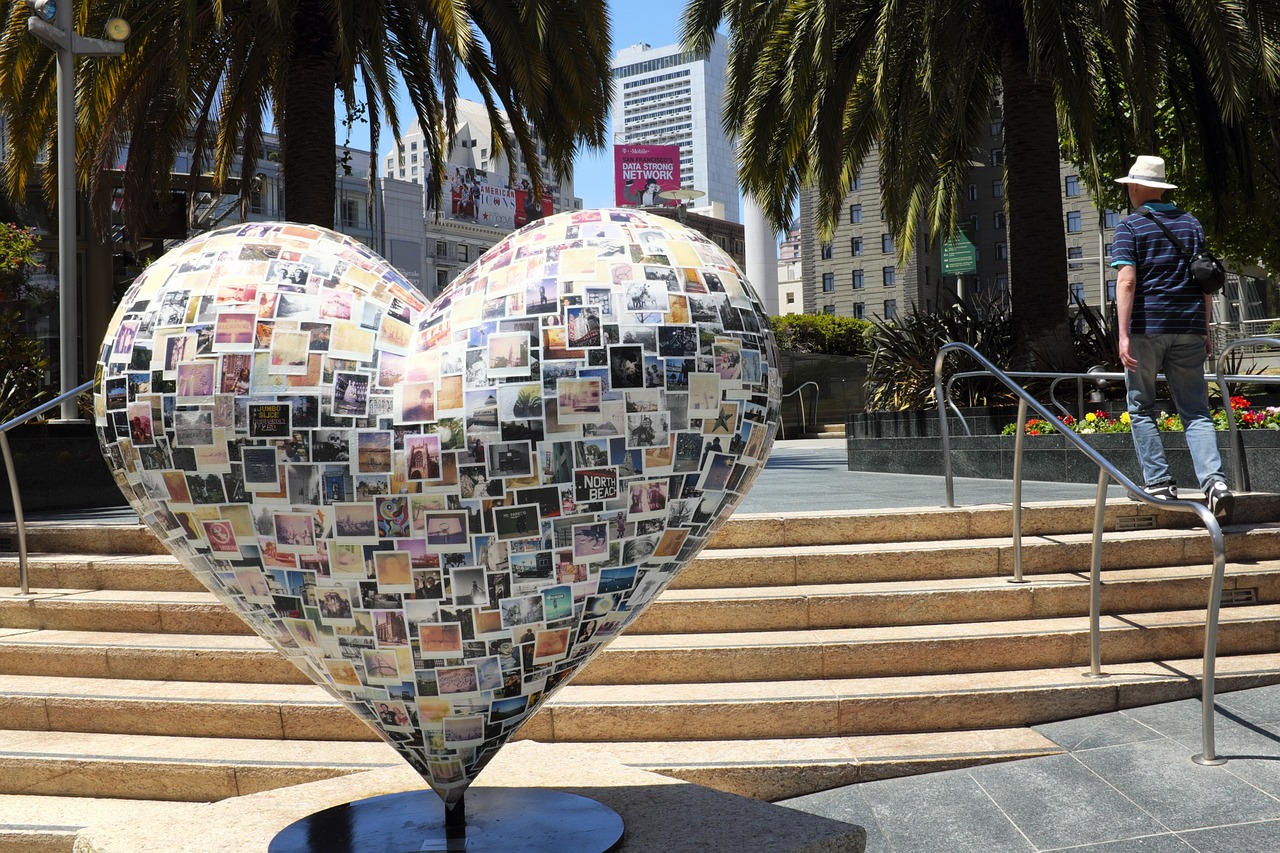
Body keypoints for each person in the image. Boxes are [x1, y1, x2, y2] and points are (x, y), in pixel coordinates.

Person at [1113, 155, 1233, 520]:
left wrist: (1122, 334)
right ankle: (1215, 484)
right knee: (1196, 411)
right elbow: (1205, 278)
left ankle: (1160, 483)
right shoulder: (1190, 223)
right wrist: (1205, 328)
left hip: (1148, 328)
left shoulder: (1130, 226)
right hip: (1191, 326)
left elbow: (1127, 281)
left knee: (1141, 406)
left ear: (1136, 188)